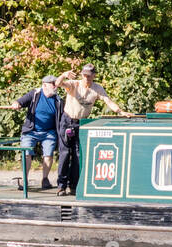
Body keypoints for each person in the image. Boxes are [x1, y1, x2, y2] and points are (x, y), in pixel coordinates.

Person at [54, 64, 128, 197]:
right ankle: (61, 186)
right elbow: (58, 83)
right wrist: (64, 74)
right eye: (84, 75)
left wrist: (120, 111)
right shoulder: (74, 84)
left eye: (89, 75)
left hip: (81, 123)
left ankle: (74, 185)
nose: (86, 78)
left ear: (94, 75)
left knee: (78, 155)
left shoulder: (97, 88)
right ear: (82, 75)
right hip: (67, 120)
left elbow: (108, 101)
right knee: (65, 153)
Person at [11, 77, 64, 190]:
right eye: (52, 84)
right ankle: (24, 180)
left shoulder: (58, 100)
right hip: (30, 131)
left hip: (49, 132)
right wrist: (16, 104)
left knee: (48, 155)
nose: (55, 86)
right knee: (27, 154)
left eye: (56, 84)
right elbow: (20, 101)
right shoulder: (35, 94)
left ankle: (45, 179)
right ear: (44, 85)